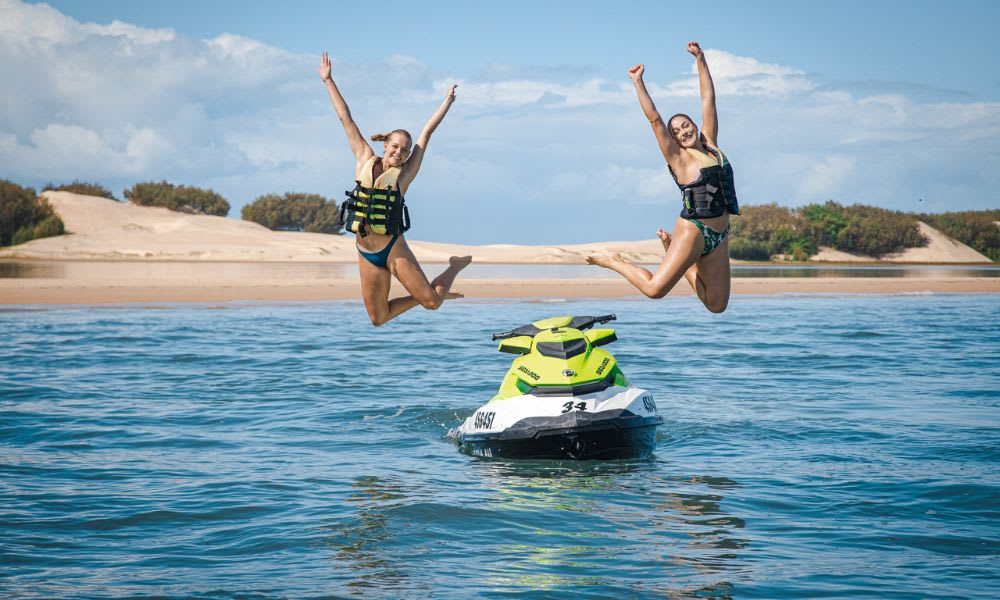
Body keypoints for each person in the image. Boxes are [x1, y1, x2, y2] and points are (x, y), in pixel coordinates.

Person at [317, 52, 472, 326]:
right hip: (365, 251)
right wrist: (328, 81)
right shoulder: (364, 156)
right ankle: (423, 293)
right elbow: (346, 119)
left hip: (392, 248)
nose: (400, 153)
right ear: (385, 145)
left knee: (432, 303)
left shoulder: (405, 176)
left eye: (405, 150)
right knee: (379, 318)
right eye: (395, 147)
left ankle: (454, 266)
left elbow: (426, 133)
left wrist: (447, 101)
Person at [587, 42, 739, 313]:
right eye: (677, 132)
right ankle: (615, 261)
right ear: (675, 140)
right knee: (654, 290)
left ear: (694, 124)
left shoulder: (712, 145)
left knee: (716, 306)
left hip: (720, 233)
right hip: (694, 231)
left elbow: (708, 98)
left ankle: (675, 254)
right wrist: (638, 82)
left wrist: (700, 59)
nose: (683, 132)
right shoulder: (680, 160)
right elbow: (655, 120)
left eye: (686, 125)